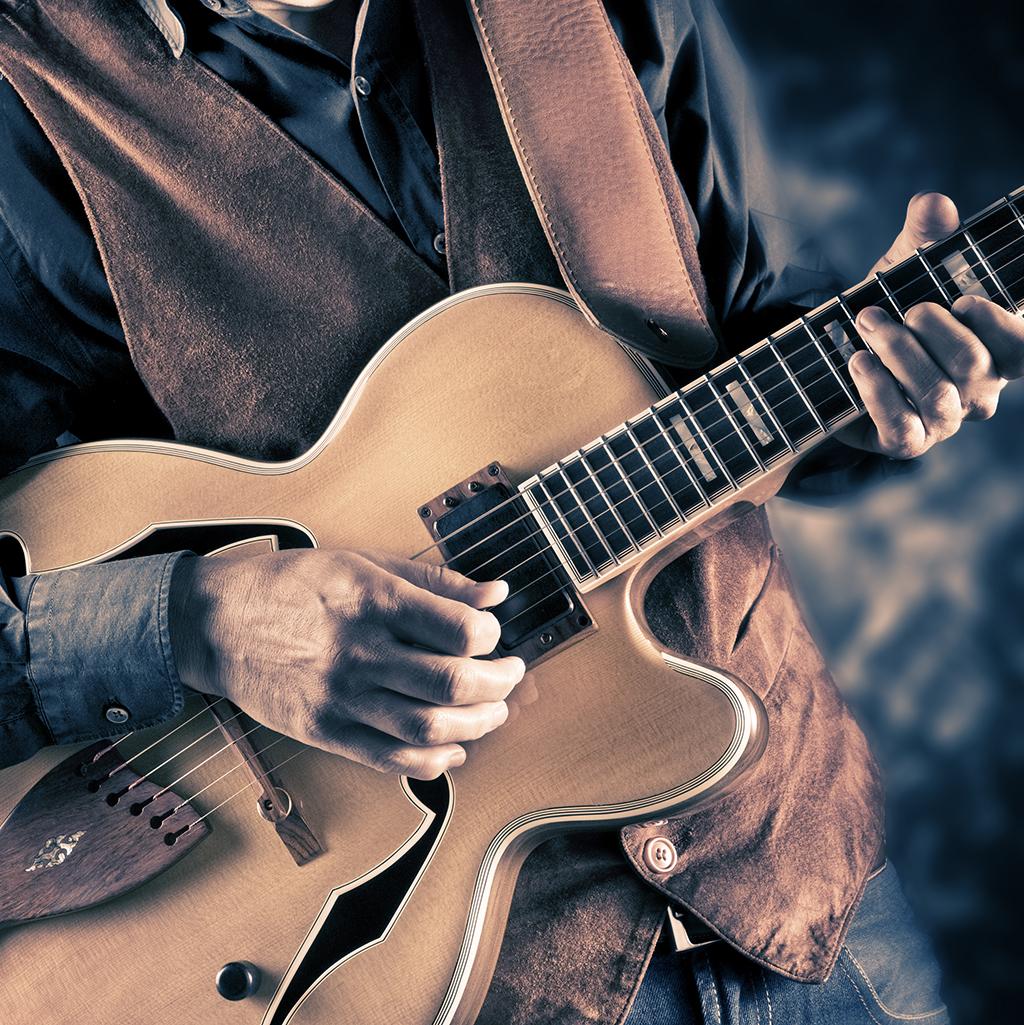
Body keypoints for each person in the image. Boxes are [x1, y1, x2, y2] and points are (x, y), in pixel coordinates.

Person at [1, 1, 1021, 1022]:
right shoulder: (24, 99)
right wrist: (200, 620)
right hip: (445, 972)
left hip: (795, 878)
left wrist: (870, 387)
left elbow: (714, 355)